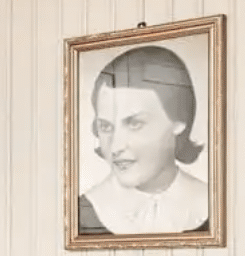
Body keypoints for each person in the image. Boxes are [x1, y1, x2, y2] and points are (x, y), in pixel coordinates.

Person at [78, 44, 209, 235]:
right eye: (106, 127)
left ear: (178, 121)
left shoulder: (215, 203)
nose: (115, 147)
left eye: (134, 124)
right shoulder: (81, 213)